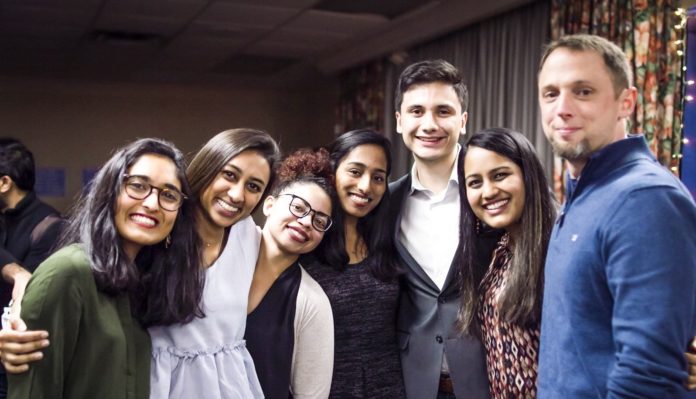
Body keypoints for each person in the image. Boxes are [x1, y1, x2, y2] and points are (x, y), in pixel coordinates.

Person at [536, 33, 696, 398]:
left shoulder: (644, 198)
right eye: (550, 93)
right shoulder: (585, 192)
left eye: (583, 91)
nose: (562, 107)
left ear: (627, 102)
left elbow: (647, 377)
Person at [7, 138, 204, 398]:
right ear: (110, 191)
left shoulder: (142, 283)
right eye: (137, 186)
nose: (152, 203)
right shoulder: (67, 272)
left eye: (168, 195)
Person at [389, 59, 501, 398]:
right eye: (417, 111)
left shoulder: (495, 190)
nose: (429, 124)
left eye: (443, 111)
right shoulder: (384, 204)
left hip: (488, 377)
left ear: (462, 121)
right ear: (399, 121)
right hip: (413, 381)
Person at [147, 128, 279, 398]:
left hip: (230, 386)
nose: (236, 195)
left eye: (254, 187)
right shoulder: (161, 223)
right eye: (229, 175)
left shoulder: (247, 235)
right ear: (209, 166)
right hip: (160, 385)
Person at [303, 129, 405, 397]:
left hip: (390, 389)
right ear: (332, 172)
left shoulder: (388, 243)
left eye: (378, 177)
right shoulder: (305, 244)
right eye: (355, 171)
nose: (365, 186)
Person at [458, 128, 556, 398]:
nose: (488, 192)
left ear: (528, 175)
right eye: (475, 182)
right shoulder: (498, 249)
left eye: (500, 175)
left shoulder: (559, 248)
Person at [245, 147, 334, 399]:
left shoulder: (311, 302)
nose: (306, 222)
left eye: (319, 221)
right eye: (299, 207)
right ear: (269, 204)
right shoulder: (223, 256)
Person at [0, 139, 63, 398]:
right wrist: (14, 270)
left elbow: (34, 302)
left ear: (4, 183)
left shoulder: (50, 226)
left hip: (14, 362)